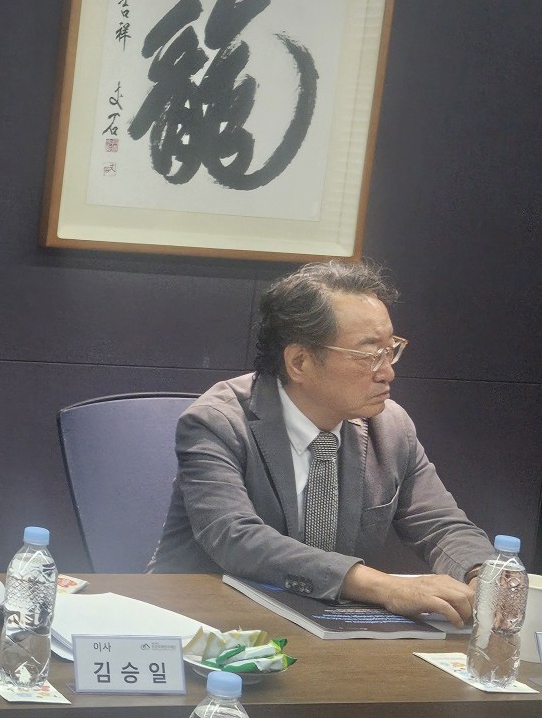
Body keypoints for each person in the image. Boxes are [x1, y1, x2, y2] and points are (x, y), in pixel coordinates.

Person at [148, 260, 491, 625]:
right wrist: (384, 586)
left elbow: (441, 525)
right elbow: (236, 538)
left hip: (323, 624)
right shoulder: (217, 422)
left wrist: (487, 577)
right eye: (370, 354)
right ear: (300, 362)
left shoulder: (390, 427)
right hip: (201, 621)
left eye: (390, 349)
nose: (388, 371)